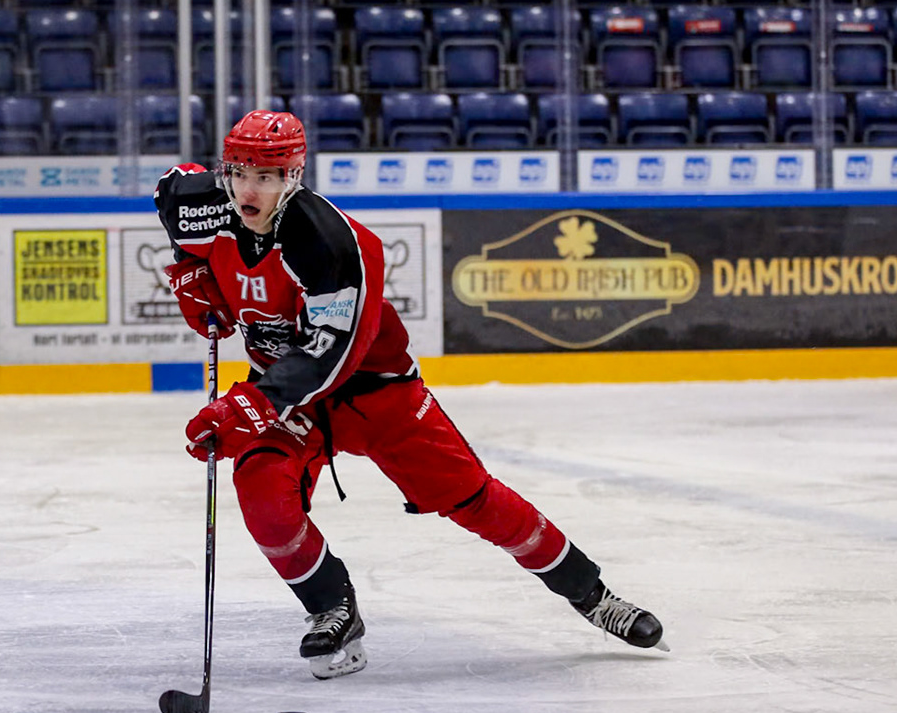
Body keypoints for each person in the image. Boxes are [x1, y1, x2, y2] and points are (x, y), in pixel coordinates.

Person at [154, 111, 666, 681]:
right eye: (240, 173)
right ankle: (332, 608)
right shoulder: (206, 203)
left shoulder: (329, 241)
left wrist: (250, 405)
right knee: (262, 496)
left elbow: (331, 350)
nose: (250, 190)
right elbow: (169, 193)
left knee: (474, 499)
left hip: (374, 390)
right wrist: (189, 270)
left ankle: (592, 595)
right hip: (291, 398)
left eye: (268, 177)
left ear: (294, 176)